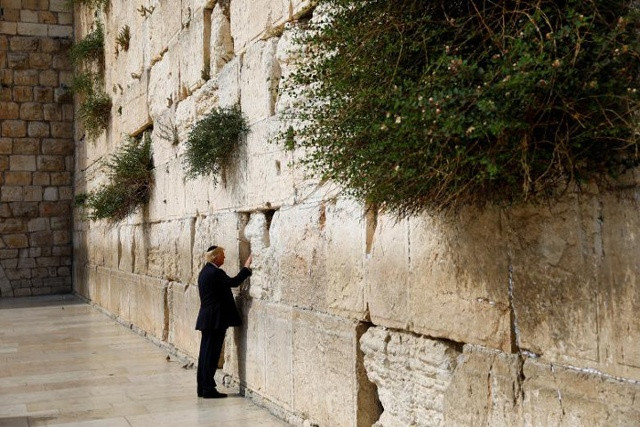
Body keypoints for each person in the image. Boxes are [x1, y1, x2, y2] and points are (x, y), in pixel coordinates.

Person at [195, 245, 252, 398]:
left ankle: (203, 387)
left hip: (207, 319)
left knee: (205, 354)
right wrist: (246, 267)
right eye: (222, 255)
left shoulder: (205, 271)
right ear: (215, 257)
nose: (224, 258)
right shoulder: (215, 273)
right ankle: (208, 389)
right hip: (215, 320)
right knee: (211, 354)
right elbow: (234, 282)